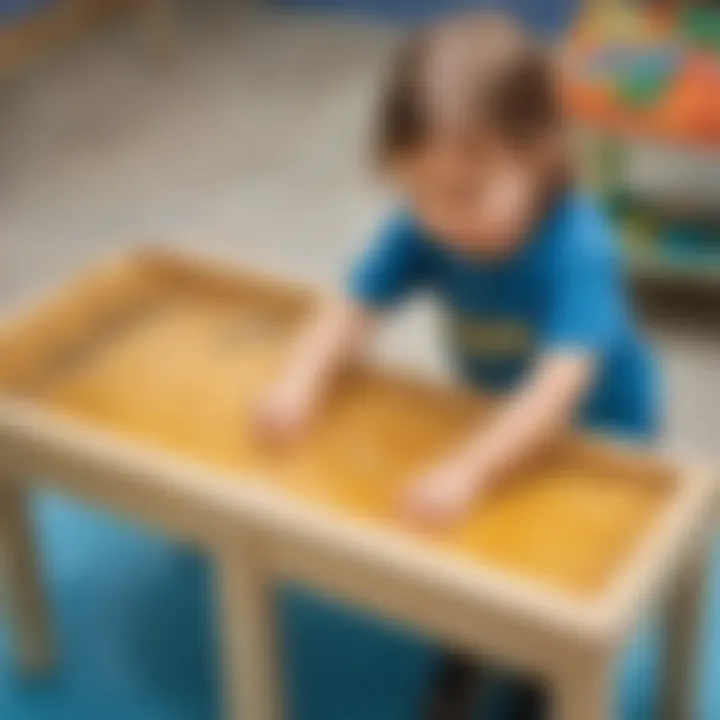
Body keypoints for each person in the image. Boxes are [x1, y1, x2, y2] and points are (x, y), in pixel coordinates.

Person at [255, 11, 660, 720]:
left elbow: (555, 394)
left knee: (550, 574)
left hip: (597, 443)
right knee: (470, 547)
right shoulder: (432, 221)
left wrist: (467, 468)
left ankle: (542, 671)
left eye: (468, 196)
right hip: (493, 420)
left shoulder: (579, 248)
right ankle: (466, 648)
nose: (443, 219)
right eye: (419, 193)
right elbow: (353, 304)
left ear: (540, 155)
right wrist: (299, 379)